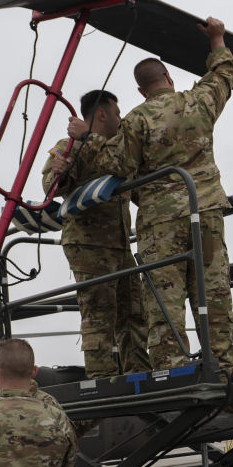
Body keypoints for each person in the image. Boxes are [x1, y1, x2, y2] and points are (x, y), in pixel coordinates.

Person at [58, 16, 233, 373]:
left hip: (161, 220)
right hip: (208, 212)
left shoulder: (137, 120)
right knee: (214, 292)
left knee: (164, 301)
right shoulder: (200, 101)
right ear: (168, 77)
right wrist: (216, 38)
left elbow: (116, 164)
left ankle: (171, 368)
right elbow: (224, 74)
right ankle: (223, 366)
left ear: (141, 91)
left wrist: (85, 139)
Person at [42, 89, 149, 378]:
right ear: (101, 114)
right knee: (99, 314)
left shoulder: (116, 151)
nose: (120, 118)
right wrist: (59, 171)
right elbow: (52, 186)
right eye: (116, 112)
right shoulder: (70, 145)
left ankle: (138, 372)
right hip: (89, 244)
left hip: (120, 245)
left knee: (134, 311)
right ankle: (101, 379)